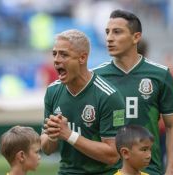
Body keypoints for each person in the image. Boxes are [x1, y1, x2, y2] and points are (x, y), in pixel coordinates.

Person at [93, 9, 173, 175]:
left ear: (136, 37)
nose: (109, 38)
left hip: (149, 170)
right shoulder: (96, 77)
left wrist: (171, 169)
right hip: (108, 170)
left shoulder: (160, 75)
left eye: (117, 32)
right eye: (107, 32)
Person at [41, 29, 126, 175]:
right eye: (54, 53)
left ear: (82, 58)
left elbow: (113, 155)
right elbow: (47, 149)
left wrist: (68, 135)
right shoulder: (52, 92)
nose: (56, 59)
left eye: (64, 54)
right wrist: (52, 135)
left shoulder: (108, 96)